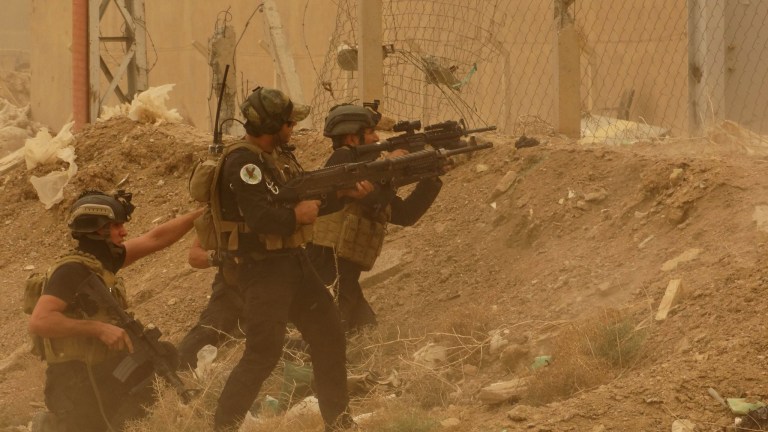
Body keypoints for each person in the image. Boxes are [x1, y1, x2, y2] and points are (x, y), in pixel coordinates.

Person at [211, 87, 371, 432]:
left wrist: (340, 195)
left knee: (329, 335)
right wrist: (295, 216)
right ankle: (222, 427)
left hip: (292, 263)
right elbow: (260, 217)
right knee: (262, 353)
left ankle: (340, 424)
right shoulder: (244, 162)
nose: (293, 126)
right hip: (264, 269)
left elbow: (304, 204)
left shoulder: (276, 157)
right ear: (272, 124)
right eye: (288, 121)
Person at [27, 190, 203, 432]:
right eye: (116, 226)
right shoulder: (70, 271)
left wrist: (201, 215)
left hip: (100, 370)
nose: (124, 231)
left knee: (162, 357)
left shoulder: (100, 262)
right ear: (98, 230)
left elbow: (155, 239)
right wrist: (98, 328)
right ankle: (51, 425)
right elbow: (40, 320)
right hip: (73, 381)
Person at [307, 104, 443, 334]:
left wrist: (431, 178)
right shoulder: (343, 160)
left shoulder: (370, 172)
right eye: (370, 132)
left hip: (344, 269)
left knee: (364, 330)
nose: (377, 138)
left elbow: (405, 214)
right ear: (352, 138)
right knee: (329, 334)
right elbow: (370, 195)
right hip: (328, 264)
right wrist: (390, 166)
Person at [176, 238, 245, 370]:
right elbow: (194, 257)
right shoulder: (223, 217)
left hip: (273, 287)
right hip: (232, 290)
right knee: (187, 352)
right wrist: (218, 257)